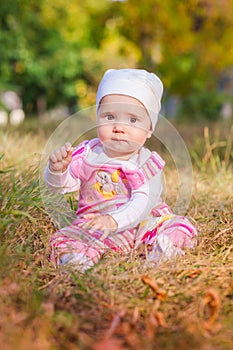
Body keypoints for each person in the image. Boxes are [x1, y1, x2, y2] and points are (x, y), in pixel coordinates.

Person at [44, 68, 197, 271]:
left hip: (143, 224)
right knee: (66, 238)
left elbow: (142, 203)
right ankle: (77, 261)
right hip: (96, 225)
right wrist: (57, 171)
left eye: (132, 120)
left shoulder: (146, 163)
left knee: (178, 226)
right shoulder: (88, 153)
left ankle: (162, 253)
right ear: (97, 117)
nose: (119, 127)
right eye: (109, 117)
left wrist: (114, 221)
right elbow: (62, 186)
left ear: (149, 129)